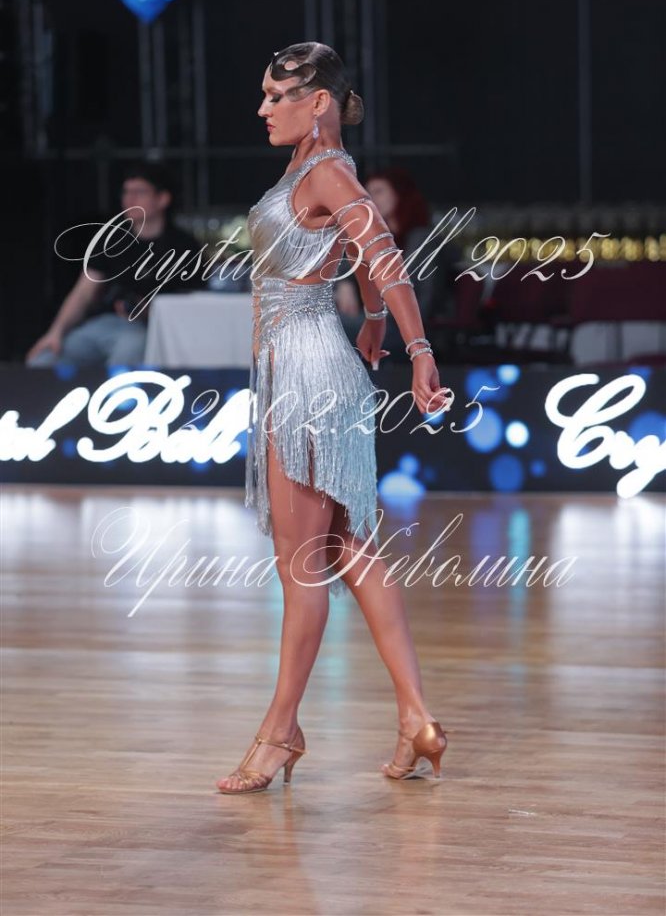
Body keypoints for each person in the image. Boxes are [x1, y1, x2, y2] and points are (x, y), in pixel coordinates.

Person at [215, 42, 454, 795]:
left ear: (317, 101)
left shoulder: (326, 170)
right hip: (314, 366)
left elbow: (383, 253)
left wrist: (418, 349)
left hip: (305, 372)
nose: (262, 108)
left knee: (301, 564)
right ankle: (416, 718)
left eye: (275, 95)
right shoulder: (313, 170)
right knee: (351, 547)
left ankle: (279, 731)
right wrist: (376, 320)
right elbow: (363, 255)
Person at [25, 161, 202, 368]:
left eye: (139, 192)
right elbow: (83, 292)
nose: (130, 199)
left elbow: (191, 305)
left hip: (151, 330)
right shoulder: (113, 239)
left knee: (128, 351)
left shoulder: (183, 246)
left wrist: (148, 310)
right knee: (43, 360)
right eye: (126, 192)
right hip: (103, 324)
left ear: (162, 199)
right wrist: (55, 332)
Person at [335, 166, 441, 359]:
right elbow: (346, 265)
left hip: (406, 329)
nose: (371, 199)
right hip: (379, 320)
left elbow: (405, 288)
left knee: (325, 324)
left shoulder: (421, 238)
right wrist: (345, 283)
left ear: (400, 194)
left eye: (379, 191)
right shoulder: (377, 237)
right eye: (367, 193)